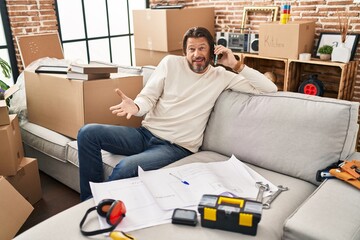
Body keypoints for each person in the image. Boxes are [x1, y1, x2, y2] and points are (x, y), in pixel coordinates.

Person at [77, 26, 277, 201]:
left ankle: (97, 206)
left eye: (202, 48)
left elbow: (269, 89)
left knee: (126, 167)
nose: (196, 54)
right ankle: (88, 201)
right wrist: (136, 107)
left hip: (176, 147)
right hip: (145, 134)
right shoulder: (170, 63)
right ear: (184, 52)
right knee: (88, 133)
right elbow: (148, 96)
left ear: (212, 51)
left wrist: (235, 64)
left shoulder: (221, 76)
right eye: (191, 49)